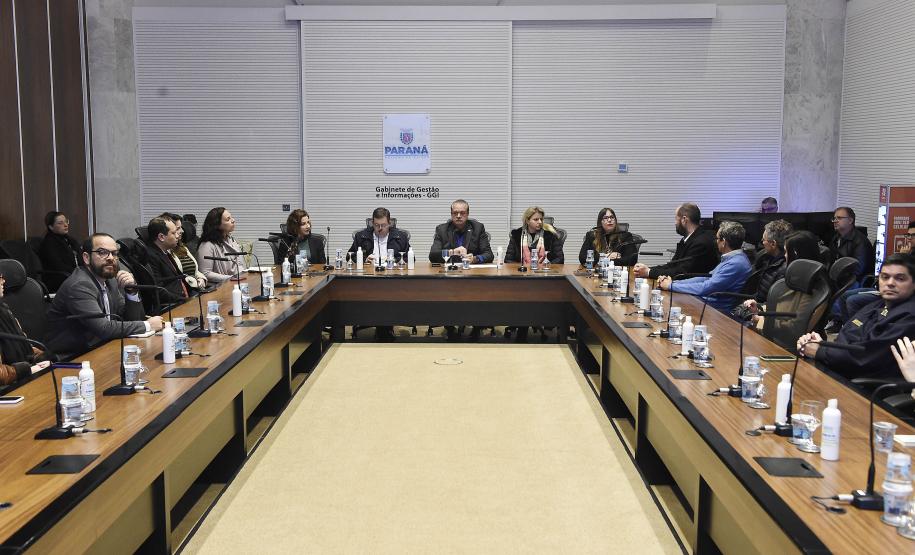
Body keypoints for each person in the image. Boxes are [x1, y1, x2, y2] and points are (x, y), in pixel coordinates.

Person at [797, 254, 915, 380]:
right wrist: (821, 344)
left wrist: (819, 351)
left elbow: (866, 357)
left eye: (900, 279)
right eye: (885, 277)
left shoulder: (909, 317)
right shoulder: (878, 305)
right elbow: (846, 334)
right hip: (844, 371)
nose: (890, 283)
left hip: (869, 388)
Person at [46, 233, 165, 359]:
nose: (110, 258)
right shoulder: (80, 285)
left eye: (114, 253)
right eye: (102, 252)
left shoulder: (110, 280)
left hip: (100, 348)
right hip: (71, 357)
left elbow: (131, 318)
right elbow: (103, 328)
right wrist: (147, 325)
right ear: (86, 258)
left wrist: (131, 291)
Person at [657, 221, 752, 313]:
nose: (716, 241)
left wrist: (671, 286)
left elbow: (706, 287)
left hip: (714, 309)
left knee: (668, 303)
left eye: (717, 239)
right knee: (667, 297)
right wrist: (673, 283)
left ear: (724, 242)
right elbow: (706, 278)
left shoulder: (736, 264)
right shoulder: (732, 258)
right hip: (706, 302)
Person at [633, 203, 718, 279]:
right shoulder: (687, 239)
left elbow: (682, 273)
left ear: (684, 220)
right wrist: (648, 269)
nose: (675, 223)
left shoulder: (701, 242)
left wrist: (648, 272)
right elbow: (672, 265)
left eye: (676, 219)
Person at [0, 273, 51, 385]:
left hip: (21, 379)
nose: (3, 281)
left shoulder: (3, 310)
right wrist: (27, 370)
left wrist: (40, 358)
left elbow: (23, 346)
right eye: (0, 278)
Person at [429, 200, 493, 264]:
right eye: (455, 213)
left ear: (467, 214)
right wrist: (452, 252)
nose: (458, 216)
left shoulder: (478, 228)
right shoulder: (441, 230)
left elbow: (489, 255)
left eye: (462, 213)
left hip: (472, 270)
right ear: (451, 214)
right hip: (450, 270)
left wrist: (475, 259)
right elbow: (432, 255)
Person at [144, 216, 189, 306]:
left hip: (182, 299)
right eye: (173, 233)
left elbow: (179, 278)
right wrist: (185, 301)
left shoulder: (165, 251)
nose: (177, 236)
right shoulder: (151, 256)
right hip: (173, 305)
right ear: (161, 237)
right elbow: (158, 290)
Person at [197, 207, 245, 284]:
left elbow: (240, 264)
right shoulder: (207, 245)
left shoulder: (231, 240)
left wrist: (241, 275)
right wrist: (231, 278)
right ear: (217, 224)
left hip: (237, 283)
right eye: (228, 219)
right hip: (219, 287)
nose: (233, 220)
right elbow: (205, 273)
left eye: (231, 217)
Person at [37, 211, 81, 293]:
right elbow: (58, 266)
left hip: (74, 276)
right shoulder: (49, 244)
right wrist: (78, 274)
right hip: (58, 279)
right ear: (51, 227)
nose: (65, 225)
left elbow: (81, 258)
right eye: (60, 223)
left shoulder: (69, 240)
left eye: (66, 221)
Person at [162, 213, 207, 290]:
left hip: (197, 287)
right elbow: (181, 276)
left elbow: (195, 270)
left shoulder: (182, 246)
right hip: (187, 290)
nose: (182, 231)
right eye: (178, 228)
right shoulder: (166, 251)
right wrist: (195, 282)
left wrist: (201, 278)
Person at [829, 206, 872, 283]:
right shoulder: (836, 238)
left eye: (839, 218)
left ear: (850, 220)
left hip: (853, 281)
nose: (835, 221)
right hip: (837, 277)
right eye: (834, 218)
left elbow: (858, 270)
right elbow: (831, 260)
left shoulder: (860, 241)